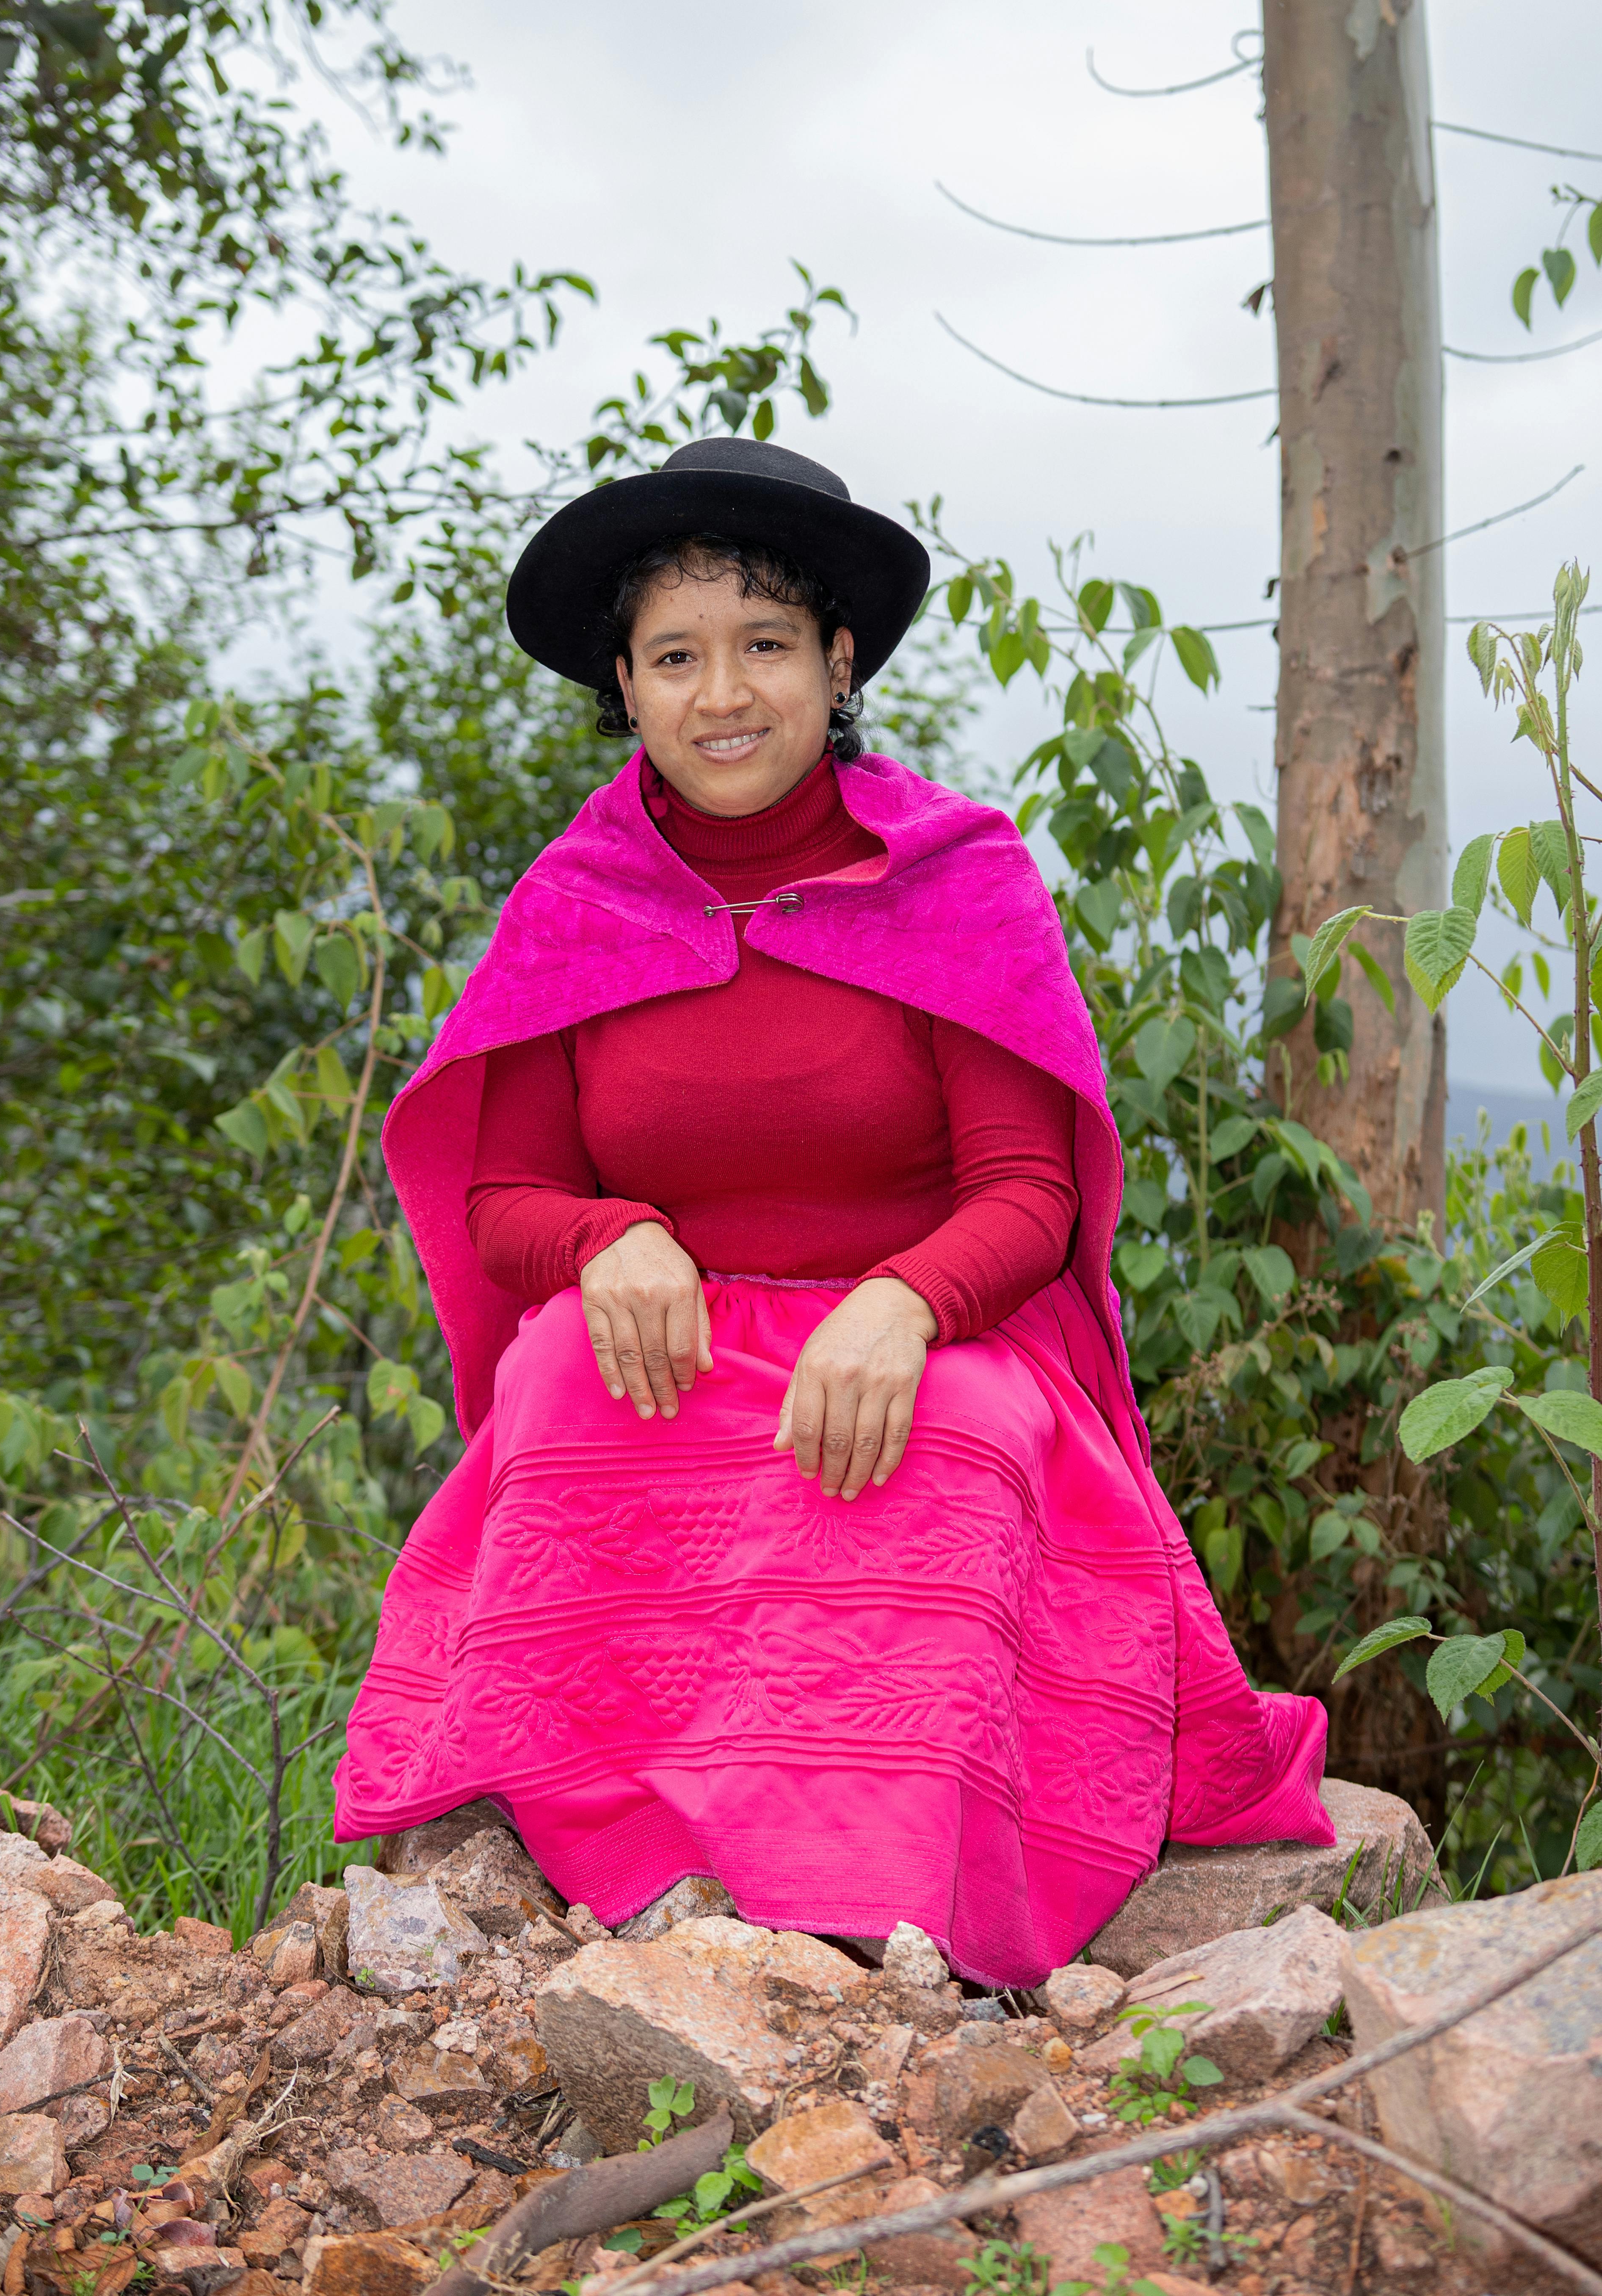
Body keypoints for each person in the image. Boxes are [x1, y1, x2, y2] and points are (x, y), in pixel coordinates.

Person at [333, 437, 1331, 1986]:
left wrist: (907, 1301)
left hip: (926, 1338)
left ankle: (887, 1900)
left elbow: (1032, 1194)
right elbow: (504, 1197)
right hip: (681, 1350)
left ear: (837, 660)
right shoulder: (578, 902)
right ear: (627, 681)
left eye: (765, 648)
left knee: (964, 1434)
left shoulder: (956, 879)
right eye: (676, 657)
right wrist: (616, 1238)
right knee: (553, 1384)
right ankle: (614, 1845)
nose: (721, 695)